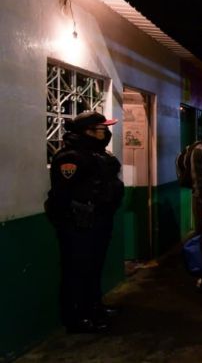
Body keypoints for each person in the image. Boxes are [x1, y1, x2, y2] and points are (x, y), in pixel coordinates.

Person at [44, 111, 124, 333]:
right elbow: (64, 196)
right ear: (88, 131)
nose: (107, 132)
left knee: (93, 268)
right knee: (76, 271)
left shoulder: (97, 154)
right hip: (79, 227)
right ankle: (76, 317)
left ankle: (94, 308)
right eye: (102, 128)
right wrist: (73, 223)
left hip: (98, 222)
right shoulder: (71, 158)